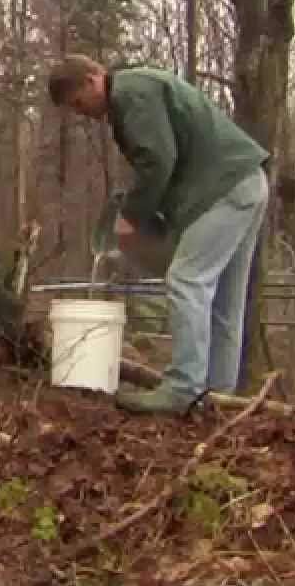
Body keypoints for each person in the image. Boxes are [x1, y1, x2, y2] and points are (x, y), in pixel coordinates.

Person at [46, 54, 270, 414]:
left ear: (92, 79)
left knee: (186, 280)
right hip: (246, 183)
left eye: (77, 102)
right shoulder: (139, 88)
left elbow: (157, 161)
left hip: (224, 189)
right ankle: (217, 397)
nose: (80, 112)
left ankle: (183, 388)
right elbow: (170, 157)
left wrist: (130, 218)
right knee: (225, 300)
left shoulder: (130, 94)